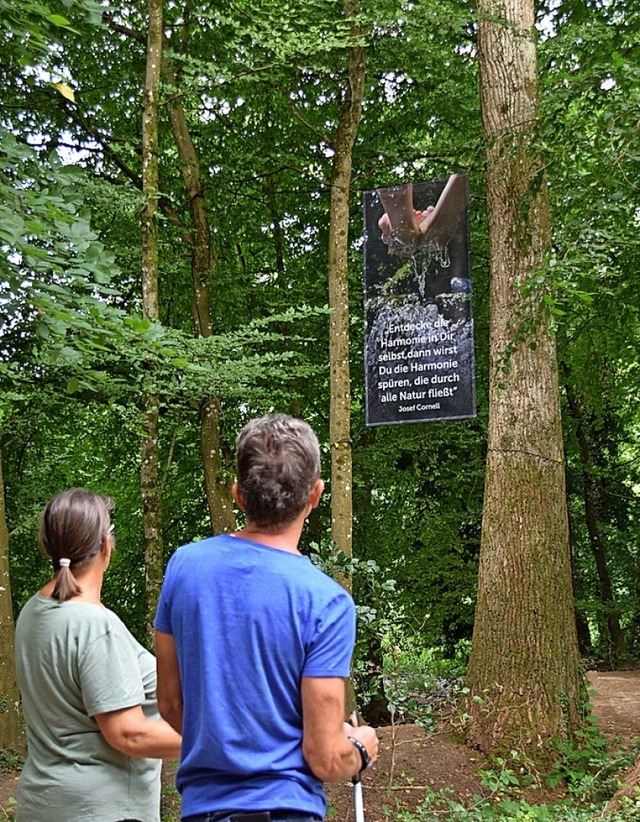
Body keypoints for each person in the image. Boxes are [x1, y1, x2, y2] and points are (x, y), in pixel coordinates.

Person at [155, 414, 379, 822]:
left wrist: (227, 747)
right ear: (315, 495)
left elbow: (171, 704)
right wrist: (361, 746)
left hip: (202, 812)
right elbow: (326, 759)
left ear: (238, 495)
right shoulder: (326, 602)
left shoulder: (184, 569)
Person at [14, 488, 182, 822]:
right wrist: (217, 739)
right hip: (103, 810)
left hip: (42, 805)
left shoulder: (33, 611)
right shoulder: (94, 625)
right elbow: (128, 733)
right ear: (106, 545)